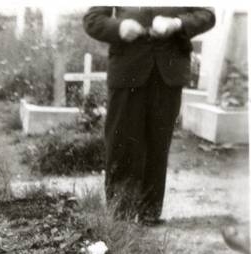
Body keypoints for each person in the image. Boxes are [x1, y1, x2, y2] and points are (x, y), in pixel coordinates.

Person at [83, 7, 215, 225]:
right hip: (127, 73)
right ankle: (120, 217)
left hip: (168, 75)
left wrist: (177, 23)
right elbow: (92, 19)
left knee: (158, 144)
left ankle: (149, 214)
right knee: (121, 143)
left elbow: (207, 14)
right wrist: (119, 27)